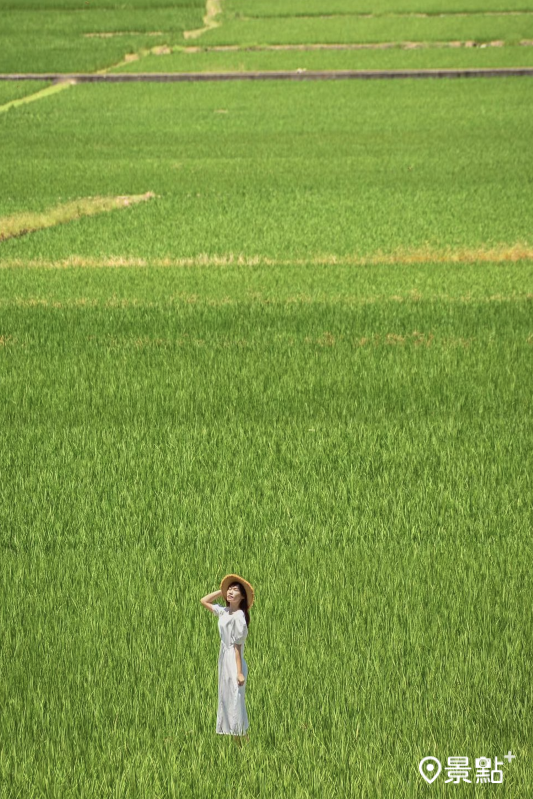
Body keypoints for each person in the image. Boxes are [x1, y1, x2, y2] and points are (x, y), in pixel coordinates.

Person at [200, 573, 254, 746]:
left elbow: (238, 647)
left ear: (243, 596)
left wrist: (239, 672)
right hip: (224, 658)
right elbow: (204, 601)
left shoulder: (239, 617)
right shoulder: (224, 611)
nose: (231, 592)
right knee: (227, 698)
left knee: (236, 700)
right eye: (229, 589)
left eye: (235, 590)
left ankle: (244, 742)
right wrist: (222, 591)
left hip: (233, 659)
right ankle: (237, 743)